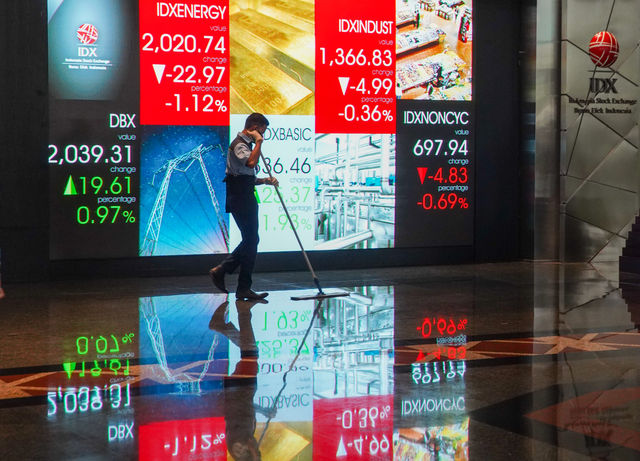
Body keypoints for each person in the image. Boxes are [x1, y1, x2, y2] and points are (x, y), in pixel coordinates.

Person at [209, 113, 278, 300]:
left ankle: (240, 284)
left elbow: (244, 175)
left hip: (245, 195)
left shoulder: (245, 144)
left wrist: (264, 181)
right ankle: (224, 271)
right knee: (251, 240)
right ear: (254, 127)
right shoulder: (239, 143)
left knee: (251, 240)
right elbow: (251, 162)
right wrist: (259, 142)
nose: (264, 134)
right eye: (262, 130)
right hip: (240, 198)